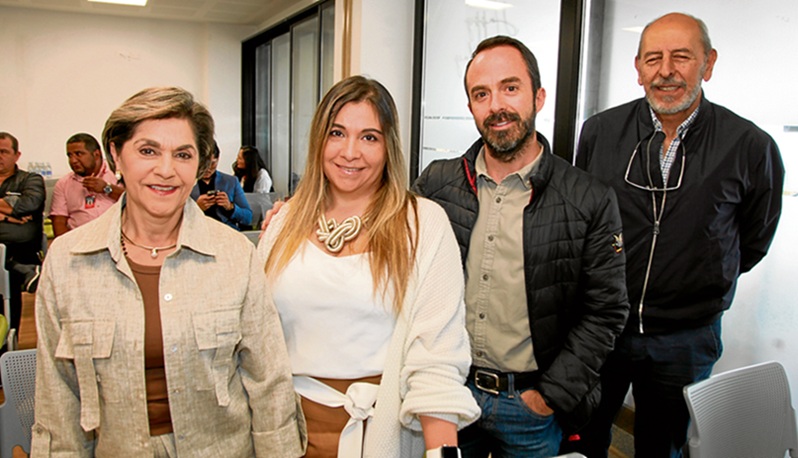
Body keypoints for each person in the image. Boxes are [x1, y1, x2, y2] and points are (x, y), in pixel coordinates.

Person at [32, 87, 305, 457]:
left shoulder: (235, 255)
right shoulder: (68, 261)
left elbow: (268, 380)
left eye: (183, 154)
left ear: (201, 165)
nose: (166, 169)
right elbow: (58, 400)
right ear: (116, 155)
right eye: (147, 151)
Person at [563, 13, 785, 458]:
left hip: (687, 337)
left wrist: (703, 272)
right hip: (602, 325)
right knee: (583, 433)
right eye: (653, 58)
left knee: (661, 445)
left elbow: (753, 238)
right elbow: (579, 217)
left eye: (681, 57)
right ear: (639, 68)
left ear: (708, 63)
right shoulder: (600, 132)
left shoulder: (749, 145)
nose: (666, 70)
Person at [412, 36, 629, 457]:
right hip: (451, 397)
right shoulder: (436, 184)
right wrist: (302, 212)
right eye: (481, 93)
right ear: (472, 106)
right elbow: (381, 231)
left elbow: (605, 311)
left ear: (538, 96)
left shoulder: (589, 198)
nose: (496, 105)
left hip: (530, 408)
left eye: (510, 88)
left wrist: (549, 397)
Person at [258, 75, 480, 458]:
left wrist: (442, 453)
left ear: (388, 146)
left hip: (380, 438)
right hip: (283, 435)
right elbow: (255, 335)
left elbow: (438, 357)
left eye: (369, 137)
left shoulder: (422, 224)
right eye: (337, 133)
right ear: (318, 141)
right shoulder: (284, 221)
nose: (350, 152)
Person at [0, 131, 45, 329]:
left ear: (17, 155)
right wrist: (10, 216)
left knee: (4, 271)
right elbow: (21, 210)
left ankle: (9, 340)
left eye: (3, 151)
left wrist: (11, 212)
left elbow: (30, 205)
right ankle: (22, 270)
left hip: (21, 247)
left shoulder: (30, 179)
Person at [49, 132, 124, 238]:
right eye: (70, 155)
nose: (73, 160)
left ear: (96, 154)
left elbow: (136, 201)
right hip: (80, 242)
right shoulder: (63, 184)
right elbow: (59, 222)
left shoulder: (119, 172)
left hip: (117, 238)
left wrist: (107, 188)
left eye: (78, 154)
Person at [190, 142, 252, 231]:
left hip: (226, 232)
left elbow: (248, 218)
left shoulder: (231, 181)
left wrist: (230, 207)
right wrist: (196, 208)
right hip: (197, 232)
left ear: (218, 159)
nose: (207, 168)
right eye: (203, 164)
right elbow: (173, 219)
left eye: (212, 164)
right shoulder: (185, 182)